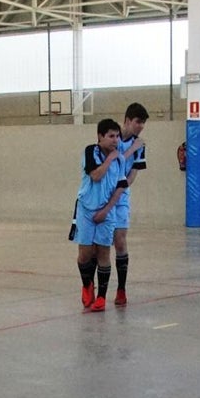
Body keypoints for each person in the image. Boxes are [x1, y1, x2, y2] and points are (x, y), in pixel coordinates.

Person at [75, 119, 128, 312]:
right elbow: (96, 176)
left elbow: (121, 187)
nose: (115, 140)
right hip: (86, 210)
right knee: (85, 254)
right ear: (100, 137)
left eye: (117, 136)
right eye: (111, 136)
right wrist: (109, 159)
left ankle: (101, 298)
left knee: (104, 253)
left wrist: (106, 210)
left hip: (107, 212)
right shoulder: (91, 152)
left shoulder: (121, 159)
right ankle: (87, 284)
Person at [112, 103, 148, 307]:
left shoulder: (140, 145)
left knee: (120, 240)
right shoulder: (112, 136)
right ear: (127, 120)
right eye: (137, 122)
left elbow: (133, 173)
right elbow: (110, 163)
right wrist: (132, 149)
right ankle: (91, 288)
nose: (140, 127)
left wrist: (121, 189)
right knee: (95, 246)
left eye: (143, 123)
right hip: (101, 194)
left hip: (121, 196)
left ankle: (121, 289)